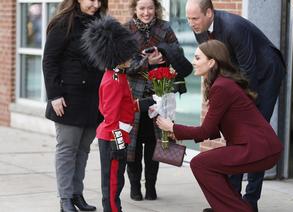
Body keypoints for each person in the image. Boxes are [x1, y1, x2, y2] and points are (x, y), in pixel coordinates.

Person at [156, 40, 283, 212]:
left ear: (211, 62)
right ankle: (231, 207)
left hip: (258, 148)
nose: (193, 61)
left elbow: (206, 130)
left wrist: (172, 128)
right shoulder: (222, 83)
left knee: (201, 163)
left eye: (197, 58)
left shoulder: (222, 87)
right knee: (210, 165)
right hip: (260, 147)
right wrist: (177, 132)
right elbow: (213, 129)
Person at [185, 0, 286, 211]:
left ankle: (250, 202)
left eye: (195, 18)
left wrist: (240, 109)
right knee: (235, 136)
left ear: (209, 13)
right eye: (188, 18)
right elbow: (215, 64)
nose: (191, 23)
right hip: (240, 76)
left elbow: (249, 70)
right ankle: (231, 201)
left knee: (254, 139)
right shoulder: (200, 28)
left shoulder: (233, 27)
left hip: (265, 73)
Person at [42, 0, 107, 211]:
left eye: (100, 0)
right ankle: (65, 199)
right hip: (68, 98)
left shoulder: (101, 23)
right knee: (67, 150)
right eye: (92, 0)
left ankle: (77, 194)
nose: (96, 4)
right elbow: (49, 61)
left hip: (94, 99)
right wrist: (54, 95)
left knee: (83, 150)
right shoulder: (63, 23)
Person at [125, 0, 193, 201]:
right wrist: (147, 62)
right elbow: (124, 66)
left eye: (150, 8)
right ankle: (135, 187)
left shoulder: (164, 28)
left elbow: (178, 54)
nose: (146, 12)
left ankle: (151, 186)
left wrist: (163, 53)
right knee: (133, 147)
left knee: (155, 143)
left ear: (156, 8)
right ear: (135, 9)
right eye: (142, 8)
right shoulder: (126, 29)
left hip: (159, 95)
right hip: (134, 97)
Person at [81, 16, 142, 212]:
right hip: (114, 137)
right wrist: (119, 143)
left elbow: (122, 106)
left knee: (116, 181)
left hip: (116, 135)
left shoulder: (116, 75)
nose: (131, 58)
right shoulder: (114, 80)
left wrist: (141, 105)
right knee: (113, 183)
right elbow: (112, 117)